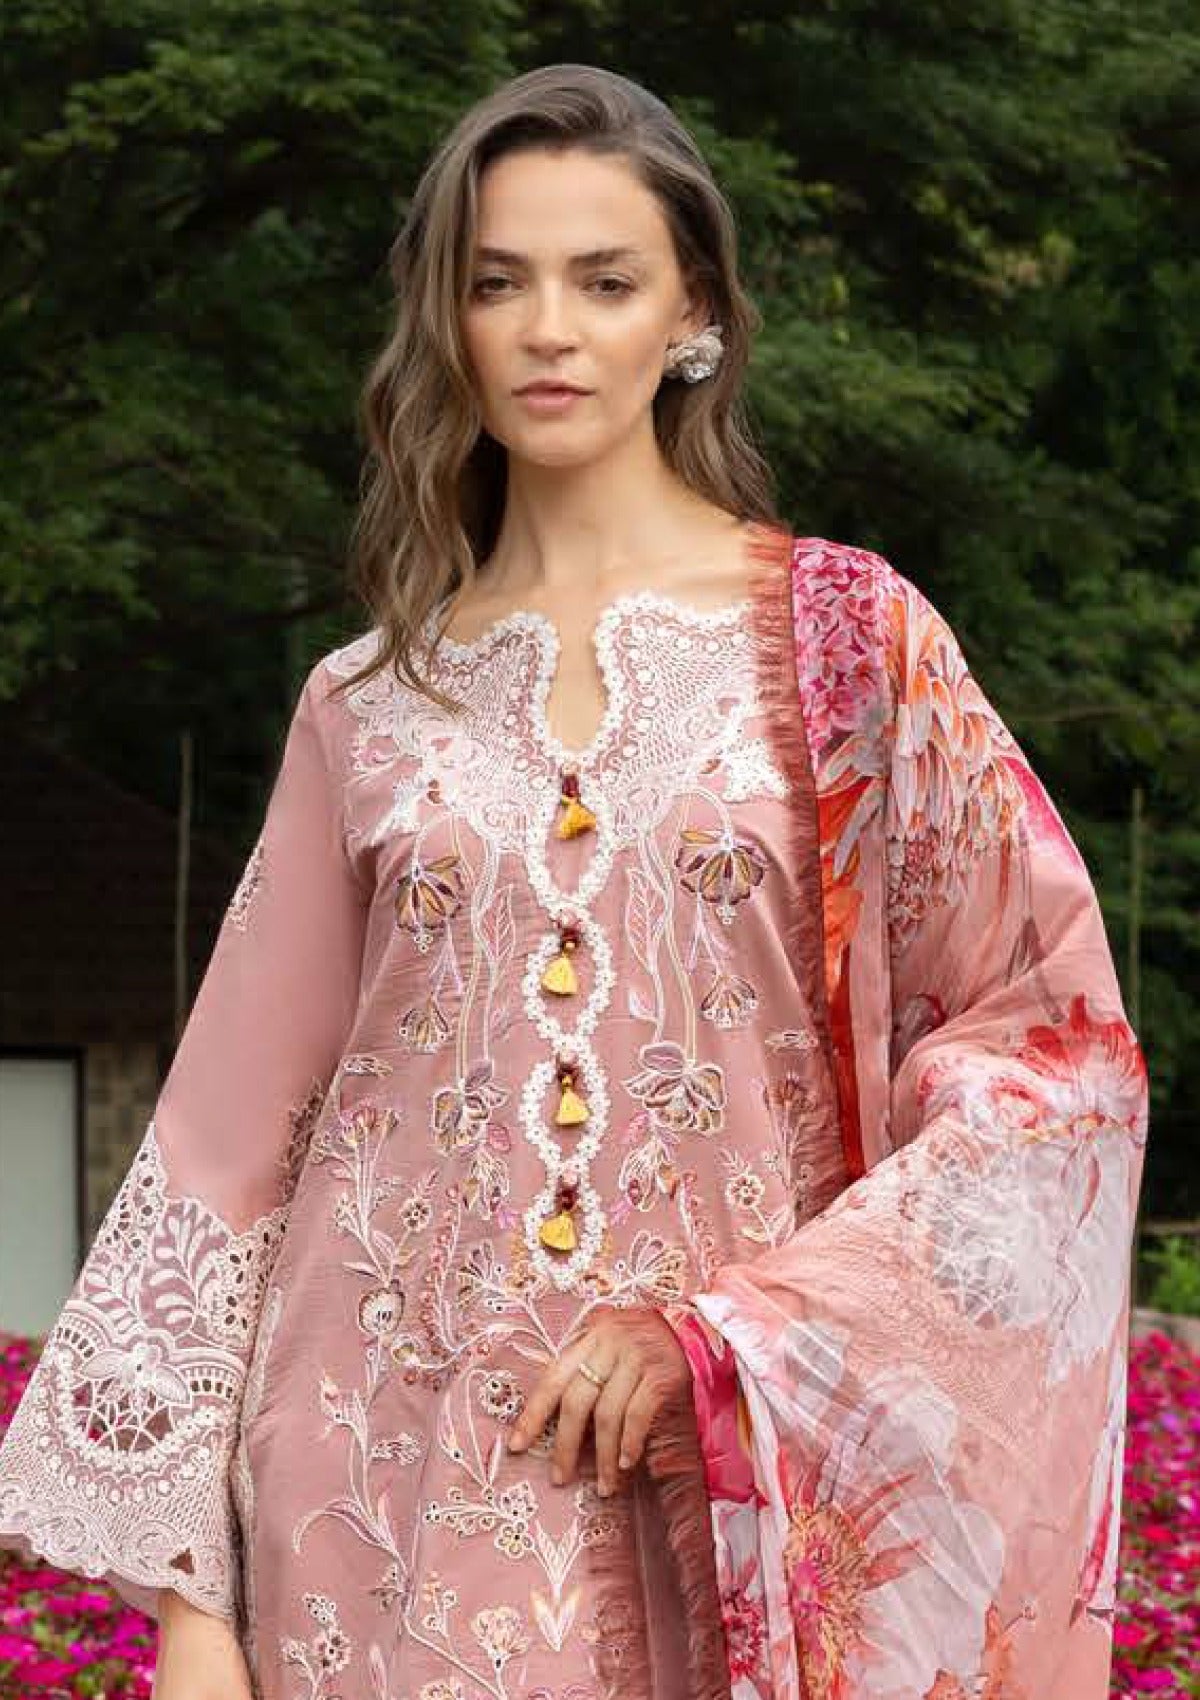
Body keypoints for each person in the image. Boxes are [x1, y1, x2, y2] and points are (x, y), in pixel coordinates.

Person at [0, 60, 1147, 1700]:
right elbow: (227, 1157)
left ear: (695, 317)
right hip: (374, 1504)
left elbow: (1053, 1063)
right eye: (498, 283)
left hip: (718, 1520)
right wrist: (194, 1607)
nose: (548, 330)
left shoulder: (852, 648)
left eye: (605, 282)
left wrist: (739, 1338)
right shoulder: (367, 702)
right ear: (447, 323)